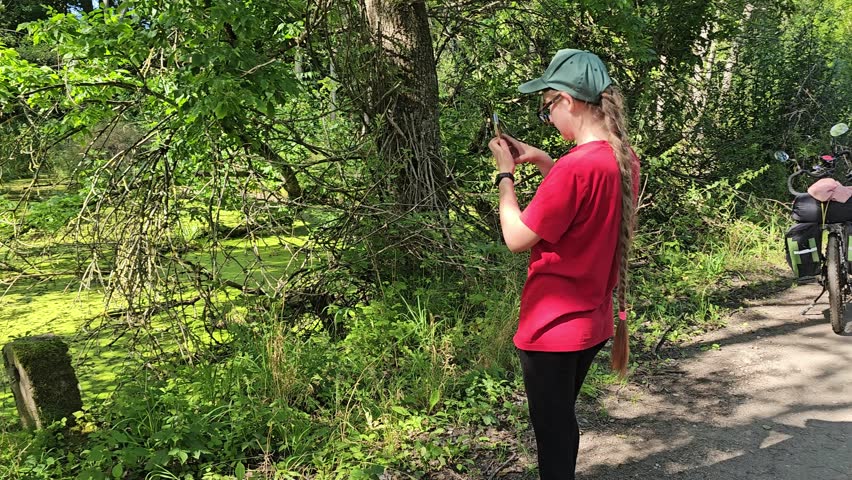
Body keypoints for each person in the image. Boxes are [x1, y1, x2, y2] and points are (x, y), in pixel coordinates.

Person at [488, 48, 640, 479]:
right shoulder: (622, 156)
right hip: (592, 323)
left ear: (567, 101)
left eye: (548, 106)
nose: (549, 117)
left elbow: (516, 237)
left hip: (552, 330)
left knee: (553, 431)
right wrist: (540, 158)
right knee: (561, 420)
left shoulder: (575, 169)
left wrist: (505, 176)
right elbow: (585, 200)